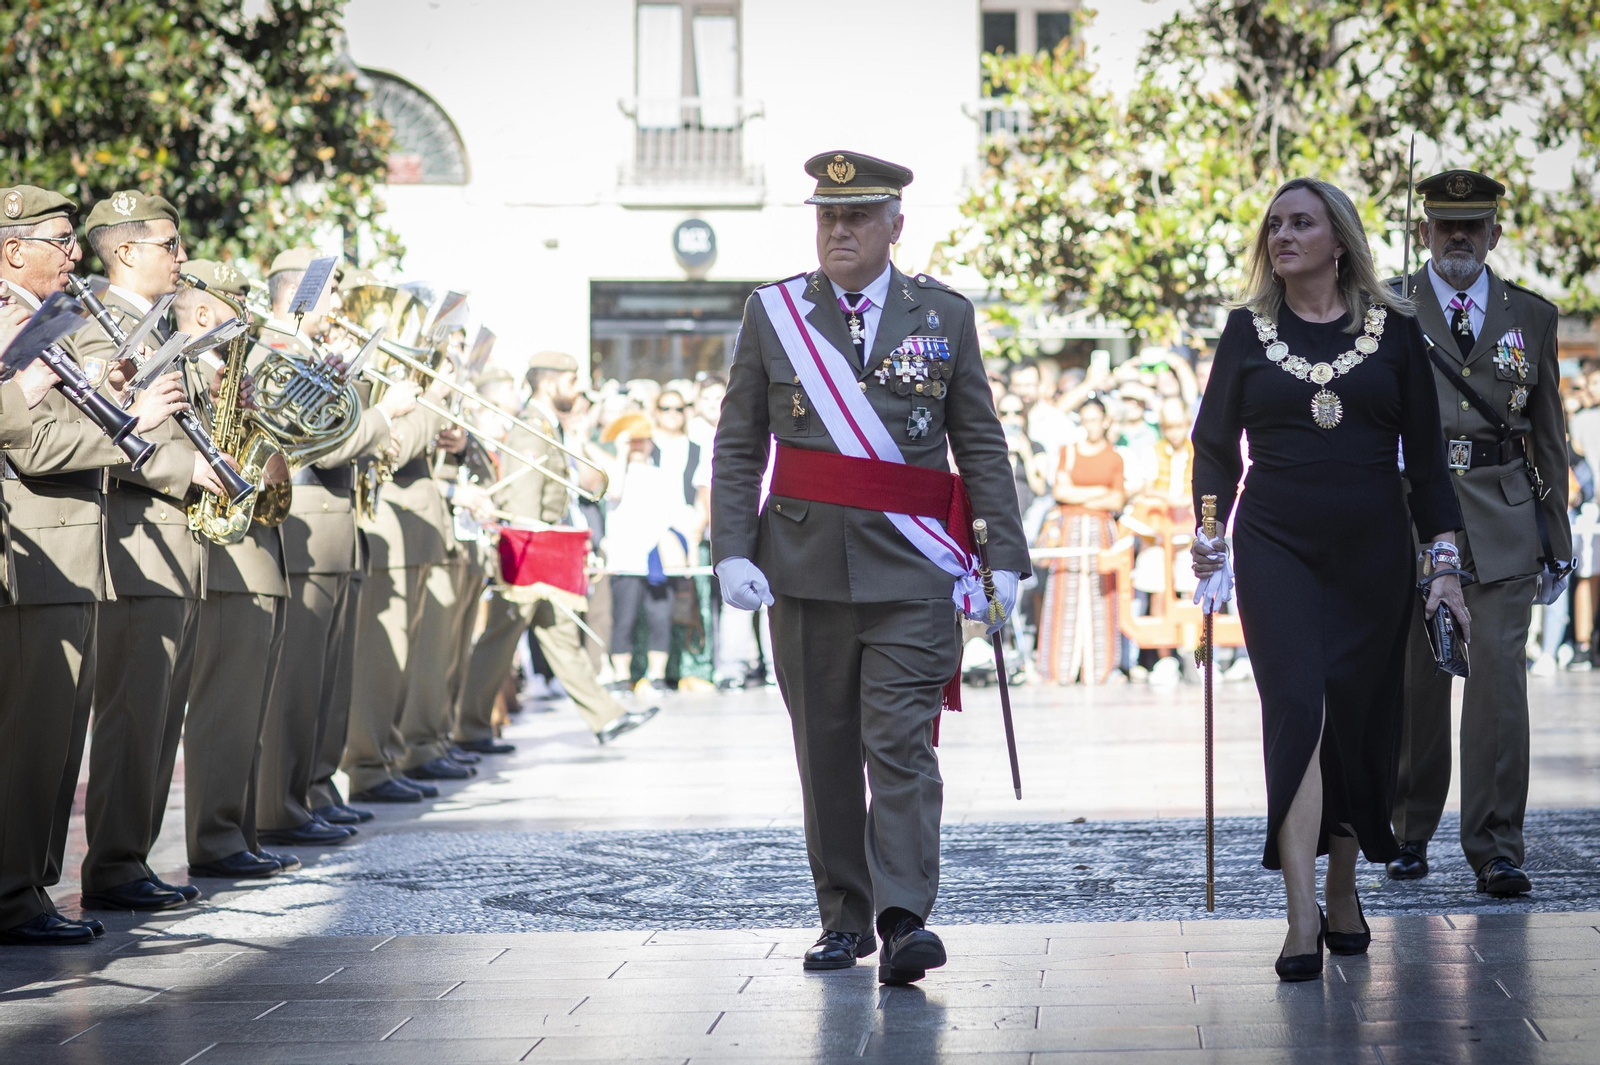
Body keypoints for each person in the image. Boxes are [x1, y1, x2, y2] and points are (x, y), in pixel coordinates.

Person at [711, 152, 1027, 984]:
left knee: (900, 746)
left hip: (912, 571)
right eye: (827, 216)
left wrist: (1003, 559)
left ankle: (904, 917)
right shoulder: (774, 312)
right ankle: (844, 919)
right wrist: (732, 549)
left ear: (896, 224)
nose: (839, 230)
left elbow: (979, 441)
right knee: (824, 753)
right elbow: (739, 442)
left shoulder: (944, 314)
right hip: (803, 569)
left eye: (856, 216)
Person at [1190, 177, 1467, 981]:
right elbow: (1213, 444)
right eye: (1274, 224)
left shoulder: (1397, 331)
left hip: (1373, 548)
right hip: (1274, 545)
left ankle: (1343, 888)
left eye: (1301, 223)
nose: (1282, 235)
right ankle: (1301, 913)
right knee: (1297, 711)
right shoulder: (1246, 330)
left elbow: (1429, 462)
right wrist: (1208, 529)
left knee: (1355, 717)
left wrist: (1444, 565)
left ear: (1338, 241)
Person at [0, 184, 186, 945]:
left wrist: (105, 395)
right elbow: (34, 445)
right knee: (31, 738)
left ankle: (30, 888)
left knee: (54, 740)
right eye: (60, 239)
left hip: (69, 547)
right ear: (14, 249)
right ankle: (14, 895)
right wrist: (130, 423)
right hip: (40, 547)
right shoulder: (14, 318)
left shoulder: (45, 314)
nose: (74, 252)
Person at [1387, 170, 1571, 897]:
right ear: (1423, 232)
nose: (1457, 237)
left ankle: (1496, 846)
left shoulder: (1533, 316)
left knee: (1497, 686)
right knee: (1417, 680)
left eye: (1472, 226)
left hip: (1502, 512)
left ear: (1495, 233)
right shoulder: (1387, 308)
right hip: (1411, 515)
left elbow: (1548, 435)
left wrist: (1556, 536)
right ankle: (1408, 829)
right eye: (1444, 225)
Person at [255, 251, 421, 831]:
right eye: (331, 293)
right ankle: (282, 805)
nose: (340, 305)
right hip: (306, 529)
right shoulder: (276, 350)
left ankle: (316, 790)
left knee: (327, 683)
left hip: (335, 533)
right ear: (299, 293)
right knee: (299, 684)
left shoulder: (308, 352)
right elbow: (321, 445)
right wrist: (384, 415)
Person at [456, 354, 658, 747]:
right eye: (571, 380)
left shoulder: (545, 425)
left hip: (543, 551)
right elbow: (523, 501)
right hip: (531, 554)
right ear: (549, 384)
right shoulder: (532, 429)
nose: (579, 390)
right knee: (499, 640)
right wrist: (536, 552)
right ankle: (469, 727)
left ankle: (606, 718)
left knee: (559, 637)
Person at [172, 260, 296, 881]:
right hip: (225, 555)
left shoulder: (229, 372)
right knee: (224, 707)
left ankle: (237, 832)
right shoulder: (190, 368)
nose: (245, 316)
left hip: (256, 550)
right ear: (201, 312)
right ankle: (216, 839)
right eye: (233, 305)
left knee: (247, 710)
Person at [1034, 397, 1124, 684]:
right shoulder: (1068, 451)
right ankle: (1059, 667)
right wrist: (1099, 492)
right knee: (1064, 593)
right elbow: (1061, 493)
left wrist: (1079, 493)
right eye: (1085, 420)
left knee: (1101, 596)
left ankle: (1099, 667)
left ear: (1105, 421)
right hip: (1070, 529)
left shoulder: (1115, 457)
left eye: (1095, 420)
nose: (1090, 426)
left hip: (1100, 532)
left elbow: (1117, 499)